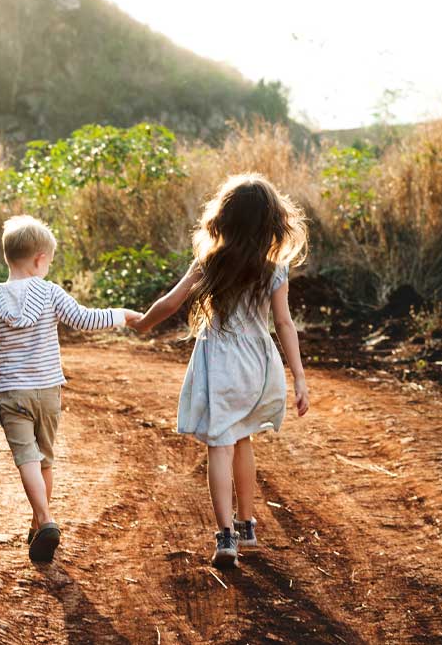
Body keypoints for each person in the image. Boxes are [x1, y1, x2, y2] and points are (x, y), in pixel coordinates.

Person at [130, 174, 310, 568]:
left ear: (223, 219)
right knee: (243, 438)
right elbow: (284, 324)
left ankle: (225, 536)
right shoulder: (273, 270)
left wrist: (142, 323)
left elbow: (171, 302)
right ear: (271, 223)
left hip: (222, 363)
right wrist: (298, 376)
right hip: (257, 365)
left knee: (220, 445)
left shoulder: (209, 262)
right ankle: (247, 526)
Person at [0, 215, 142, 563]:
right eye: (49, 262)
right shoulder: (50, 293)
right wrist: (123, 315)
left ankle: (44, 520)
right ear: (40, 259)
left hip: (13, 395)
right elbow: (85, 319)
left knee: (26, 458)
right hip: (48, 392)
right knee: (44, 460)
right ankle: (39, 523)